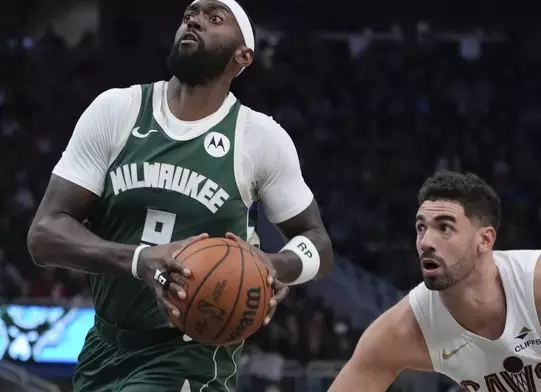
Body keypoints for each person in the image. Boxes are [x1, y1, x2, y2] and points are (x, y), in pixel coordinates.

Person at [26, 0, 333, 391]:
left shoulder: (260, 137)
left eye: (214, 17)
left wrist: (276, 266)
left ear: (243, 56)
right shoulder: (116, 110)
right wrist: (139, 260)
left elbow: (318, 242)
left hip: (191, 353)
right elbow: (44, 235)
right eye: (191, 14)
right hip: (104, 345)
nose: (195, 20)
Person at [329, 171, 541, 392]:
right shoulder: (405, 328)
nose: (426, 241)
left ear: (485, 240)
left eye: (445, 227)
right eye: (421, 227)